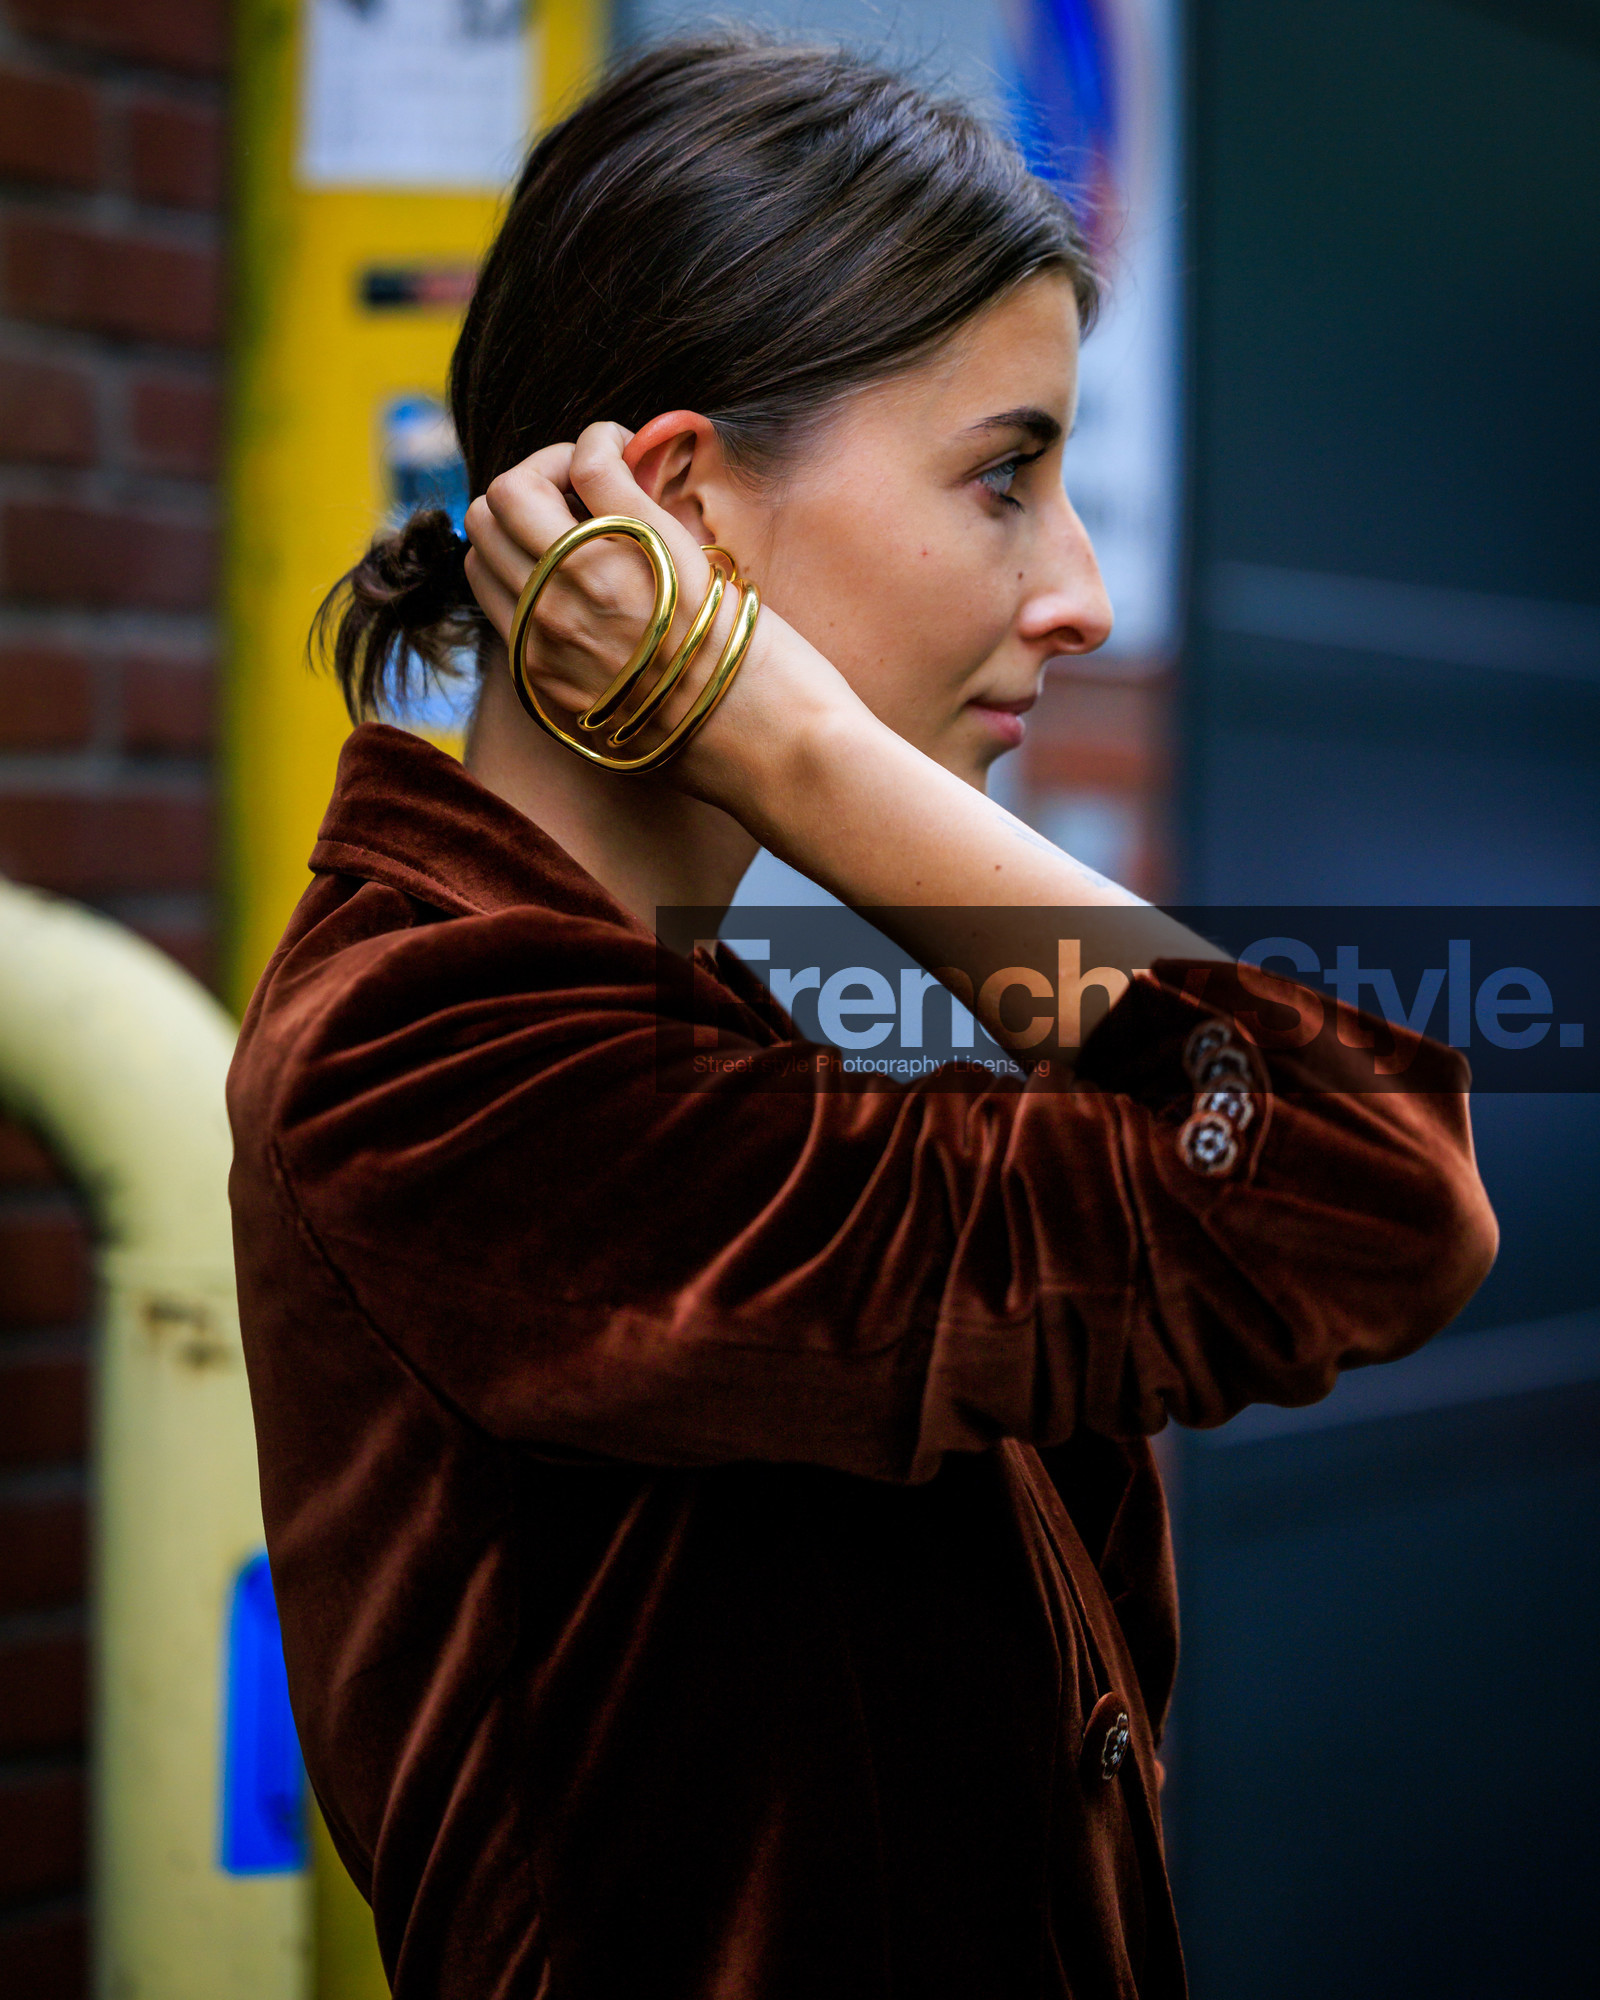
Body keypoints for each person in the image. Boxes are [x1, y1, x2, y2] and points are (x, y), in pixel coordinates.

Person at [227, 35, 1497, 1999]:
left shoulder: (658, 1008)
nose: (1071, 592)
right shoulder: (447, 1059)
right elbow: (1352, 1188)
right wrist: (786, 734)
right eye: (1002, 474)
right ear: (675, 514)